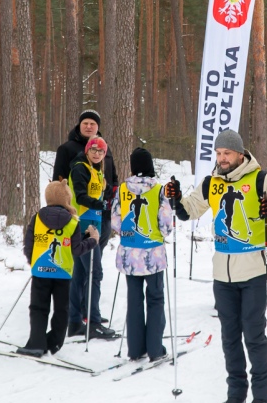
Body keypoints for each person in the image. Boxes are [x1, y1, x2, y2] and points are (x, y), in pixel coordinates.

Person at [165, 129, 267, 403]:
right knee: (229, 337)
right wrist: (175, 199)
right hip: (222, 274)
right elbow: (189, 210)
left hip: (255, 269)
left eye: (227, 153)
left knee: (253, 334)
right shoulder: (211, 183)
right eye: (218, 154)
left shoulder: (261, 179)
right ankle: (235, 396)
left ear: (240, 154)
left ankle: (261, 397)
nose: (222, 159)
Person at [16, 181, 100, 357]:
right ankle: (53, 343)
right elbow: (76, 249)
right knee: (62, 309)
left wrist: (33, 261)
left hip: (41, 270)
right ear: (67, 198)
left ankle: (36, 343)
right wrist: (92, 240)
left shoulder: (37, 218)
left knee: (38, 308)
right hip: (62, 272)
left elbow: (28, 244)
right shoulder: (72, 221)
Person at [112, 147, 173, 362]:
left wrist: (129, 235)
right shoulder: (158, 190)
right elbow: (166, 225)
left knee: (134, 299)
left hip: (130, 254)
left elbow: (116, 222)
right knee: (155, 298)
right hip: (153, 254)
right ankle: (155, 349)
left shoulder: (122, 189)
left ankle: (136, 349)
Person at [66, 136, 117, 340]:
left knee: (80, 273)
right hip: (84, 225)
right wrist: (102, 205)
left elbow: (98, 196)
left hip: (92, 224)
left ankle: (75, 321)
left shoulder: (97, 171)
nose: (97, 153)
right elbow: (80, 196)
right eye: (94, 150)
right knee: (95, 272)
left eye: (101, 151)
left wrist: (108, 200)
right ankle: (93, 322)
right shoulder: (80, 168)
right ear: (87, 150)